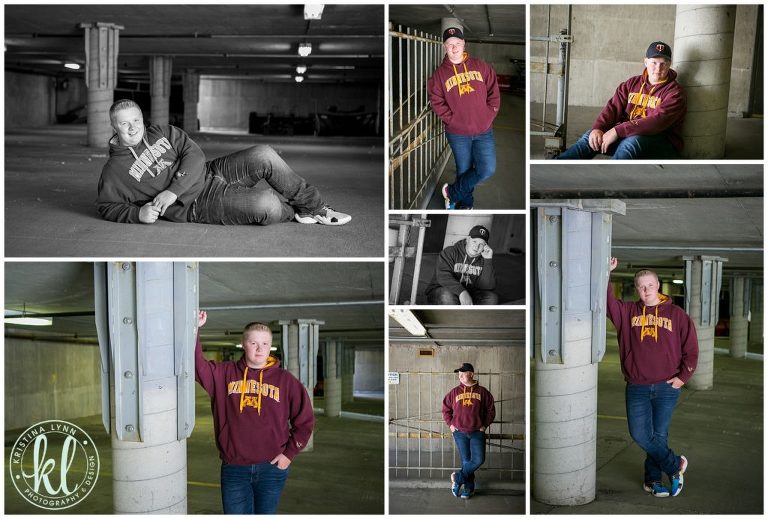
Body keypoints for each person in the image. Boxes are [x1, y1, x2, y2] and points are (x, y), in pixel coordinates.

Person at [96, 99, 351, 226]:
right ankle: (293, 212)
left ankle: (313, 207)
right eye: (124, 123)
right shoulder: (114, 172)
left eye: (136, 120)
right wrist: (137, 213)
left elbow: (194, 154)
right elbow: (107, 206)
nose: (133, 127)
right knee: (267, 205)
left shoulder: (161, 132)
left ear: (142, 118)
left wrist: (173, 190)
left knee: (264, 153)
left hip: (209, 172)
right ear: (113, 126)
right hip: (196, 205)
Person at [195, 310, 315, 514]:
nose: (260, 349)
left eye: (265, 344)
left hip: (272, 467)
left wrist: (289, 454)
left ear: (271, 346)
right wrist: (194, 329)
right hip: (234, 468)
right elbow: (197, 367)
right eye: (253, 343)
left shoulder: (286, 381)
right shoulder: (224, 374)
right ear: (244, 344)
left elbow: (305, 421)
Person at [607, 257, 698, 497]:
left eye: (650, 285)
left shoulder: (676, 314)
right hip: (637, 386)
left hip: (667, 386)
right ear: (636, 288)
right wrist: (606, 273)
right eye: (641, 286)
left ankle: (654, 480)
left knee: (658, 436)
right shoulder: (627, 312)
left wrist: (683, 377)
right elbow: (607, 303)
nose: (646, 290)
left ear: (658, 285)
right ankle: (675, 464)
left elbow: (692, 348)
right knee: (640, 434)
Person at [556, 42, 686, 160]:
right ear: (646, 62)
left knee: (631, 143)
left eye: (663, 63)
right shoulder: (631, 83)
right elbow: (612, 108)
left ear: (669, 64)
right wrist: (599, 128)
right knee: (591, 137)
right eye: (654, 63)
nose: (658, 69)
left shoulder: (675, 93)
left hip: (661, 142)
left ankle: (608, 182)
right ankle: (555, 169)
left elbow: (656, 122)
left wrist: (617, 131)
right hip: (628, 134)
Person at [428, 27, 500, 209]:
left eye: (457, 44)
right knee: (464, 171)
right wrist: (453, 120)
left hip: (483, 131)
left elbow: (493, 90)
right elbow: (436, 102)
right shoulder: (439, 75)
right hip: (458, 134)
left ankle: (451, 194)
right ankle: (466, 205)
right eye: (450, 44)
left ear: (464, 44)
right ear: (444, 46)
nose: (454, 48)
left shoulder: (481, 66)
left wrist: (489, 113)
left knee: (487, 169)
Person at [442, 363, 496, 499]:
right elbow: (445, 409)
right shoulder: (454, 392)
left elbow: (491, 410)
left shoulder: (482, 392)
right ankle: (469, 489)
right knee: (466, 462)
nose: (460, 375)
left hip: (477, 431)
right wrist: (450, 424)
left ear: (471, 374)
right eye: (458, 372)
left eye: (463, 372)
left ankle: (457, 478)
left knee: (478, 460)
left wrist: (485, 425)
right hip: (459, 432)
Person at [425, 224, 498, 305]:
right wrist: (462, 292)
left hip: (470, 294)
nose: (477, 247)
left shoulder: (484, 258)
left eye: (481, 244)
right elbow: (443, 276)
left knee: (492, 298)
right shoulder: (450, 252)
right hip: (443, 290)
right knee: (446, 296)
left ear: (485, 246)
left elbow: (488, 286)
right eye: (474, 241)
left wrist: (488, 260)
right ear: (468, 239)